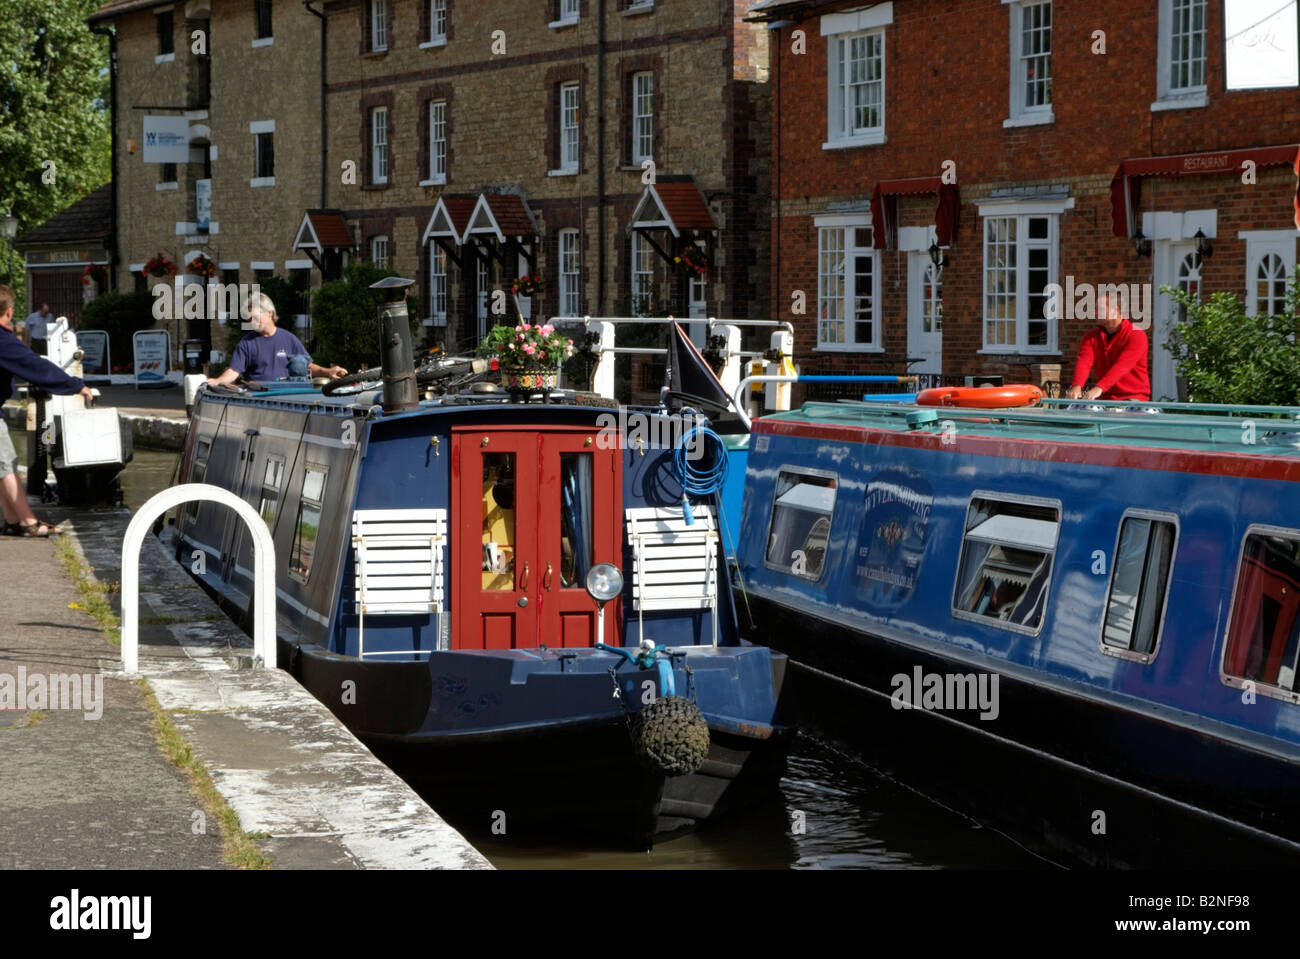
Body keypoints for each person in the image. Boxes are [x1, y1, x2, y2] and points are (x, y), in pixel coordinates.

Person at [0, 285, 95, 536]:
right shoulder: (3, 340)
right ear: (9, 313)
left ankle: (11, 520)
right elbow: (38, 368)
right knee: (7, 467)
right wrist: (77, 385)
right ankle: (29, 523)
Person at [205, 292, 346, 388]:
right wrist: (218, 381)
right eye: (249, 318)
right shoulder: (246, 343)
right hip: (258, 401)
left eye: (254, 316)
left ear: (270, 313)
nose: (251, 321)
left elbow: (308, 366)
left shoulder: (289, 339)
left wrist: (329, 371)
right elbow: (234, 371)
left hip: (284, 400)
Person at [1066, 291, 1151, 402]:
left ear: (1115, 310)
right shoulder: (1091, 337)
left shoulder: (1136, 334)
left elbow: (1123, 365)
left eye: (1099, 309)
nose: (1095, 313)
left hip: (1133, 397)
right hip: (1105, 397)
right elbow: (1084, 362)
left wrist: (1100, 388)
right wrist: (1077, 386)